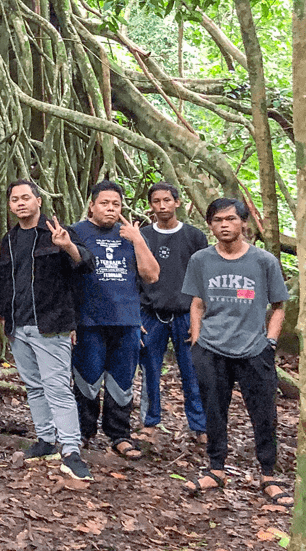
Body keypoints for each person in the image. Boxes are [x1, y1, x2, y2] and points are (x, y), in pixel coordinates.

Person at [180, 198, 290, 506]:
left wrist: (270, 342)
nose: (224, 225)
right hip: (211, 349)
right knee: (214, 411)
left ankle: (268, 475)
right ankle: (216, 469)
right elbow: (197, 303)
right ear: (210, 225)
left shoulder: (264, 261)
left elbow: (279, 306)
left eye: (230, 219)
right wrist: (197, 341)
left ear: (244, 222)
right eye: (217, 220)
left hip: (254, 349)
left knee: (264, 413)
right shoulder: (201, 260)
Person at [0, 179, 96, 481]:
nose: (20, 203)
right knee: (34, 386)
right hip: (19, 325)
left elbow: (86, 266)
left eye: (26, 198)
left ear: (38, 200)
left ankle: (71, 450)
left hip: (51, 324)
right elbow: (6, 280)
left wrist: (68, 246)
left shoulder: (58, 232)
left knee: (57, 388)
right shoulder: (9, 239)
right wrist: (4, 318)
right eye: (15, 199)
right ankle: (46, 440)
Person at [70, 181, 160, 460]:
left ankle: (119, 435)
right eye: (104, 203)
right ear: (92, 206)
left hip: (126, 321)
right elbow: (65, 279)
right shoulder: (76, 232)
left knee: (122, 382)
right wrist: (69, 321)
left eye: (116, 204)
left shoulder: (130, 235)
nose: (110, 209)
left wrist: (138, 239)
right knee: (86, 379)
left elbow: (151, 275)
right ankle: (83, 433)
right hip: (89, 320)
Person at [138, 182, 208, 442]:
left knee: (192, 371)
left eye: (167, 200)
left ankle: (200, 426)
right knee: (150, 370)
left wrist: (198, 318)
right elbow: (134, 276)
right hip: (150, 313)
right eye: (156, 201)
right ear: (150, 205)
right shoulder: (143, 236)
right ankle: (150, 422)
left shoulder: (194, 236)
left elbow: (203, 279)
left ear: (177, 202)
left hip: (185, 313)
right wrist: (136, 315)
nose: (162, 206)